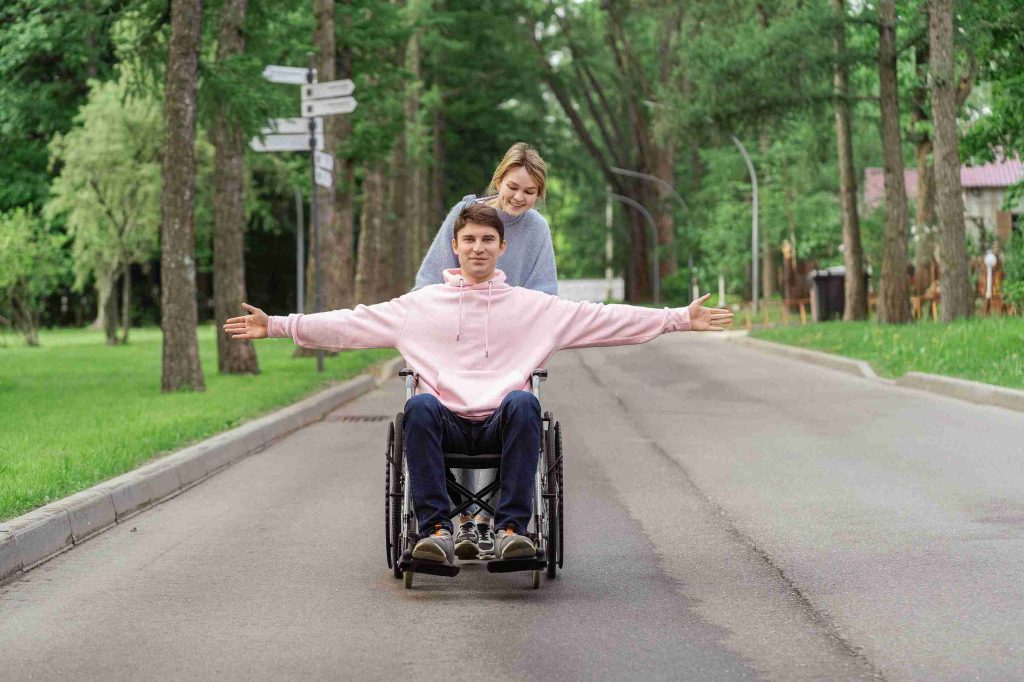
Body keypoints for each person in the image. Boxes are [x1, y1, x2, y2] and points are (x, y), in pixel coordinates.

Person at [223, 203, 732, 567]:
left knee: (524, 401)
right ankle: (435, 533)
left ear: (502, 248)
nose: (479, 248)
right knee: (417, 406)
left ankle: (512, 530)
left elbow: (602, 319)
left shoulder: (534, 309)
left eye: (488, 240)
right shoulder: (419, 308)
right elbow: (352, 323)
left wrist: (677, 319)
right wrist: (280, 325)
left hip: (502, 425)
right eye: (469, 240)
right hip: (442, 425)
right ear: (455, 246)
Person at [415, 142, 555, 558]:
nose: (519, 198)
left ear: (538, 195)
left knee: (512, 405)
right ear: (499, 180)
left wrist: (514, 315)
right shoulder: (465, 219)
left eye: (529, 192)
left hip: (511, 336)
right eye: (513, 187)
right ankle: (453, 522)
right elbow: (427, 281)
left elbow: (547, 291)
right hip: (455, 332)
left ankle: (496, 523)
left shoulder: (538, 230)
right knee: (438, 405)